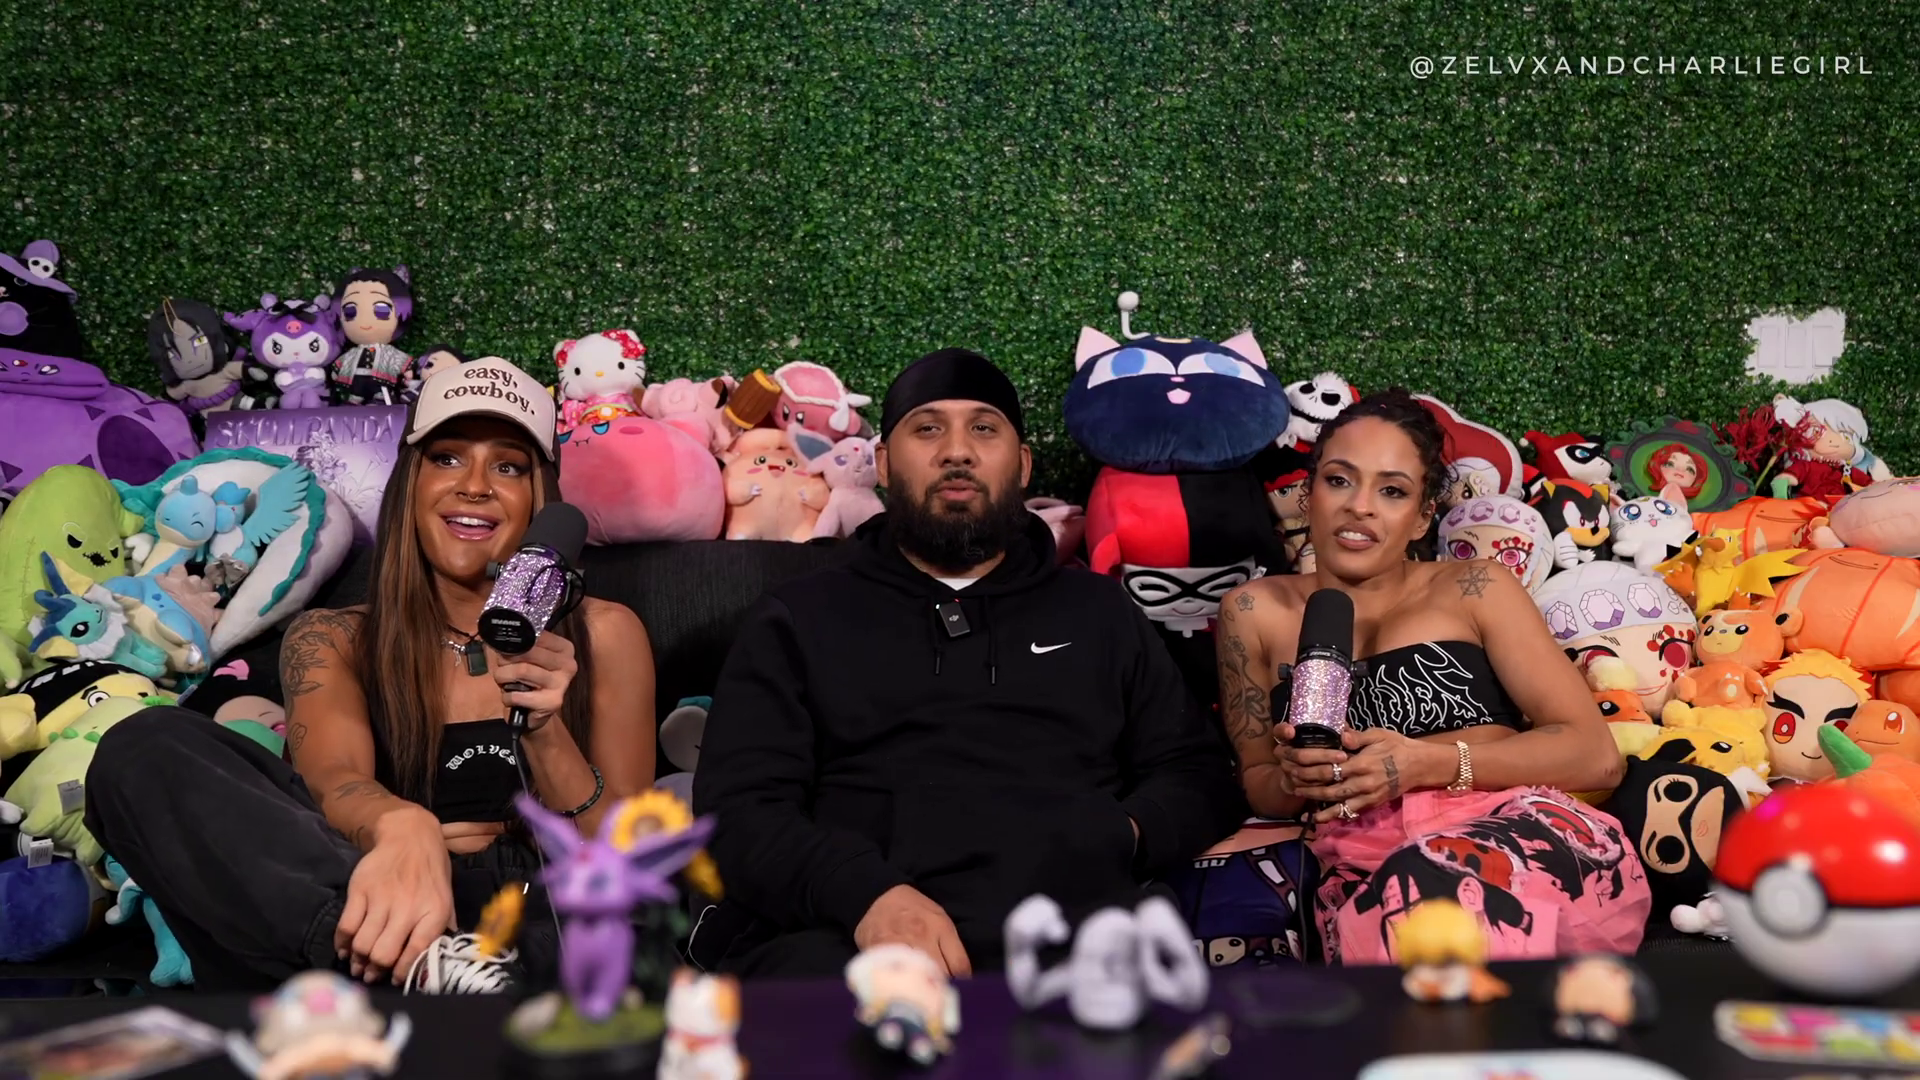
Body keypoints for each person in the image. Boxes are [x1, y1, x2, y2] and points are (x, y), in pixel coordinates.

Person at [85, 359, 658, 993]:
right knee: (141, 747)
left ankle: (437, 990)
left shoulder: (605, 633)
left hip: (546, 914)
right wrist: (401, 825)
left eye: (508, 467)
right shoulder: (333, 637)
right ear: (410, 485)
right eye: (446, 458)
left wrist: (546, 730)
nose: (474, 486)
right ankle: (433, 974)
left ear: (540, 501)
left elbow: (623, 860)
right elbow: (331, 780)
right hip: (375, 907)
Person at [692, 347, 1243, 978]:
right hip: (852, 940)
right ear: (882, 464)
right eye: (927, 429)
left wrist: (1121, 833)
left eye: (984, 428)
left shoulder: (1098, 610)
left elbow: (1197, 774)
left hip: (1078, 943)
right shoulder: (797, 615)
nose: (957, 450)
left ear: (1023, 464)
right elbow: (738, 811)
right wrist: (864, 895)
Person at [1216, 389, 1648, 965]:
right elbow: (1258, 780)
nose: (1360, 507)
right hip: (1366, 871)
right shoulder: (1251, 610)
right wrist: (1300, 779)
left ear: (1423, 515)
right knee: (1400, 918)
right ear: (1307, 494)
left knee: (1431, 898)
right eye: (1340, 480)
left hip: (1518, 839)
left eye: (1392, 491)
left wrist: (1429, 764)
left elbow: (1595, 757)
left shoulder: (1475, 587)